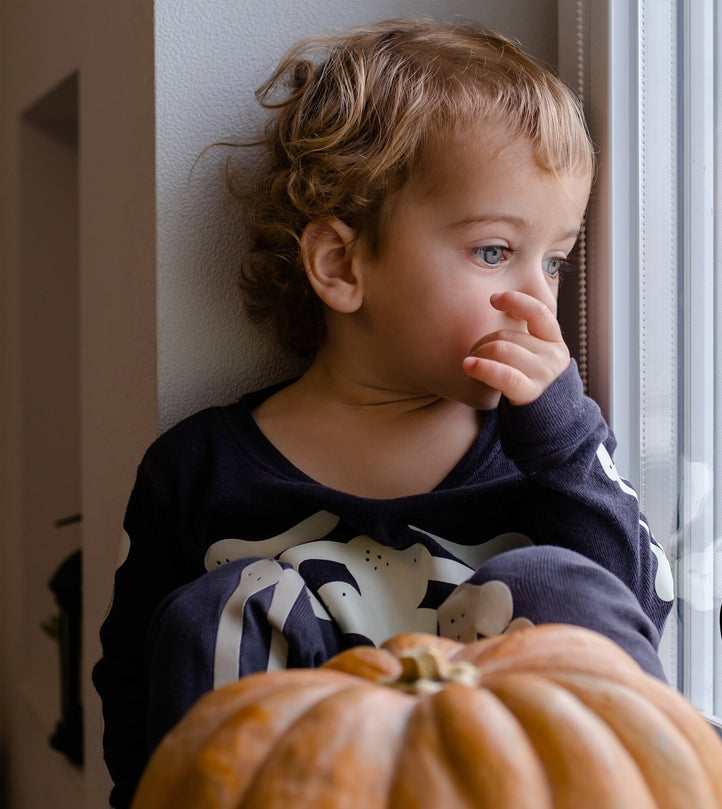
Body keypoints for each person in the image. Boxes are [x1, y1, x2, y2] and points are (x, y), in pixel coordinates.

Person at [92, 18, 673, 808]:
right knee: (224, 608)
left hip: (508, 785)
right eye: (495, 252)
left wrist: (568, 438)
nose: (541, 300)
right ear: (342, 264)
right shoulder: (197, 472)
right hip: (308, 787)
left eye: (556, 258)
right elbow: (134, 692)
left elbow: (631, 629)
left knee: (554, 578)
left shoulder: (546, 455)